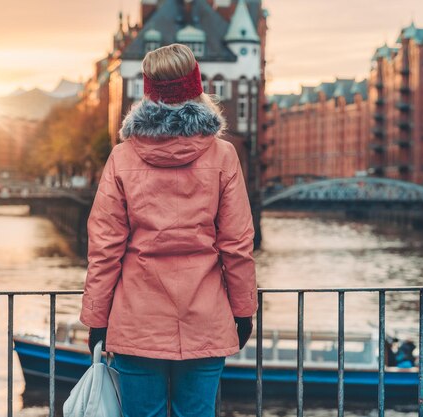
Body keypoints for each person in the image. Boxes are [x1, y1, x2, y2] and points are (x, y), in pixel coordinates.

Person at [79, 43, 258, 417]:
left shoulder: (123, 156)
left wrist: (97, 318)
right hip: (206, 319)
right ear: (196, 86)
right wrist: (243, 311)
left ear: (148, 91)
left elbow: (105, 247)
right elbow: (237, 243)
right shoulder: (223, 155)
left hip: (137, 323)